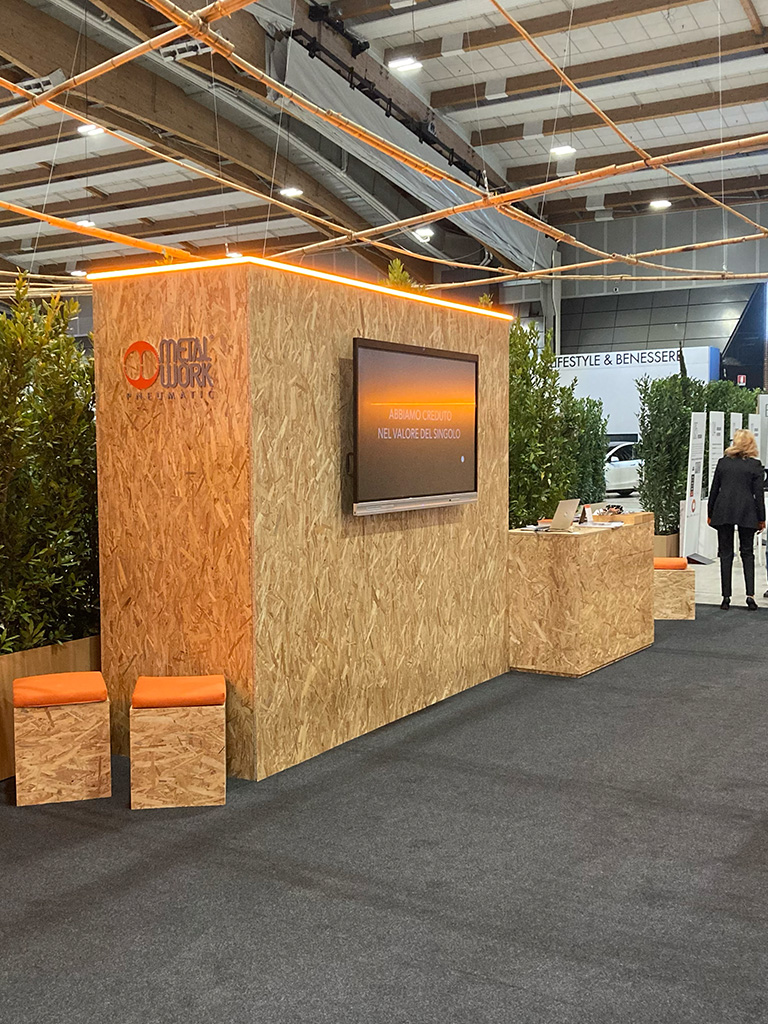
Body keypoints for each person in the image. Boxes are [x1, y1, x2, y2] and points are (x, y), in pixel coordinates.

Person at [708, 428, 766, 610]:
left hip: (723, 510)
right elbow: (758, 495)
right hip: (747, 511)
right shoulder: (755, 465)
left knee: (725, 553)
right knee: (747, 553)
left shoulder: (723, 463)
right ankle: (750, 596)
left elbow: (714, 489)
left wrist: (710, 513)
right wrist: (761, 518)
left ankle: (726, 597)